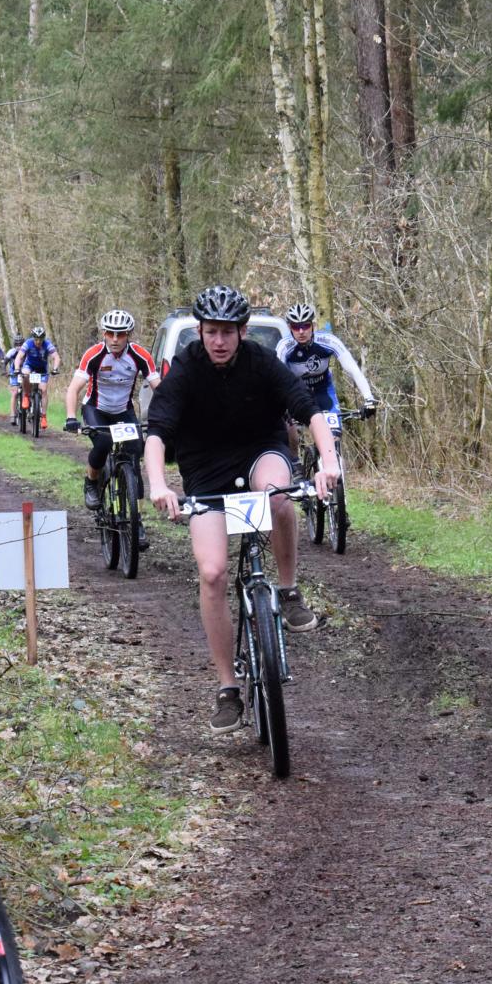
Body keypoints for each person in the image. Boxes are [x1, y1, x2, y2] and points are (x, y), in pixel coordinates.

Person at [144, 285, 340, 733]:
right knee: (212, 573)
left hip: (259, 451)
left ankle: (288, 592)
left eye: (227, 332)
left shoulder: (261, 361)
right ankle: (227, 688)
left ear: (242, 331)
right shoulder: (186, 367)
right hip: (205, 470)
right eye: (211, 332)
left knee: (278, 495)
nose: (219, 341)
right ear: (200, 331)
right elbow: (157, 432)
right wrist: (157, 485)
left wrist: (329, 462)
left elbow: (309, 410)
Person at [62, 310, 160, 511]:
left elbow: (160, 389)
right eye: (110, 333)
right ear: (104, 333)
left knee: (136, 452)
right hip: (96, 409)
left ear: (128, 334)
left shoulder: (140, 356)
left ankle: (136, 513)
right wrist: (71, 417)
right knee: (103, 443)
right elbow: (73, 389)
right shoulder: (94, 355)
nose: (115, 339)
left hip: (123, 411)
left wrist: (167, 415)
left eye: (120, 334)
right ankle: (91, 483)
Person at [10, 326, 60, 431]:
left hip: (42, 369)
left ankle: (44, 417)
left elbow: (56, 357)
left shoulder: (47, 344)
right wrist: (17, 368)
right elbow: (19, 357)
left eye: (40, 339)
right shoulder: (28, 343)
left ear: (43, 338)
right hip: (29, 366)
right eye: (36, 339)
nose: (38, 342)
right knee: (25, 374)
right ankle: (26, 396)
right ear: (33, 338)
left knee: (44, 390)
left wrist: (55, 368)